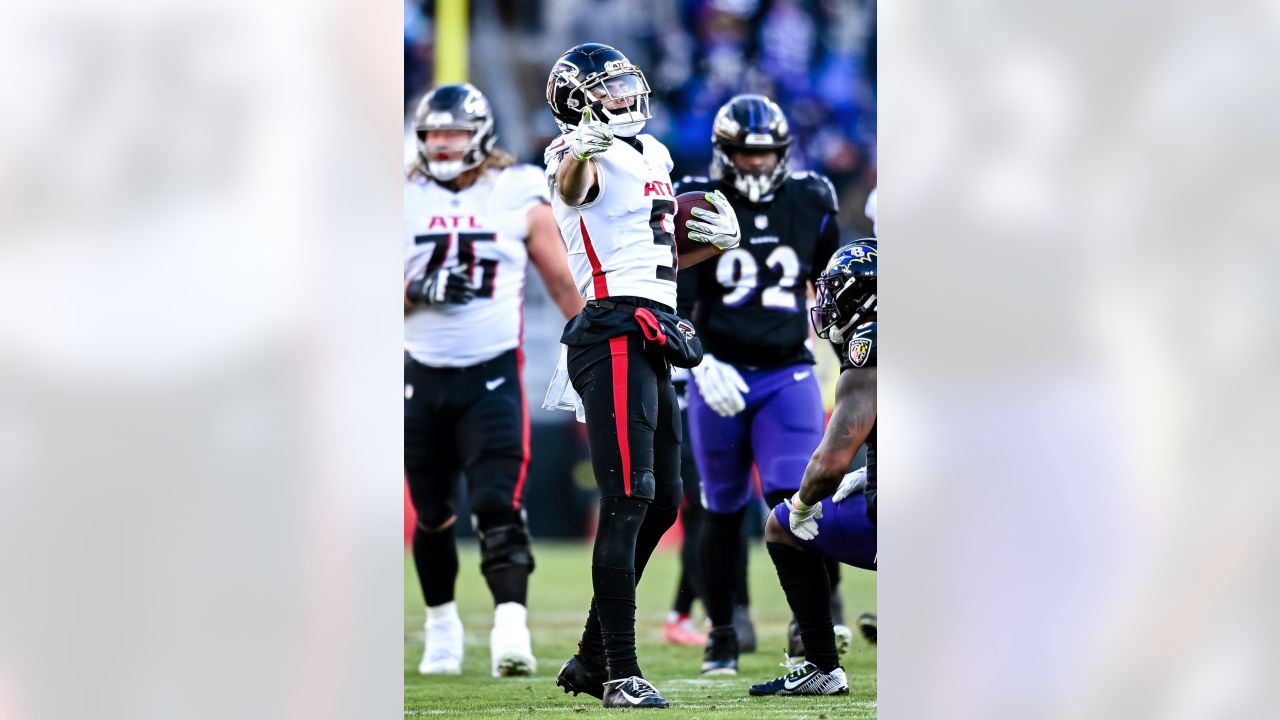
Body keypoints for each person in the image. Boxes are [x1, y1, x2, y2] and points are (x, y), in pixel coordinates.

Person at [542, 43, 741, 709]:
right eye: (612, 89)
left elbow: (657, 252)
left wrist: (714, 243)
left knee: (663, 500)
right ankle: (619, 671)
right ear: (581, 102)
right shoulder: (572, 151)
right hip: (611, 328)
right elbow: (570, 187)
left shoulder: (653, 155)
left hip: (655, 323)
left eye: (629, 86)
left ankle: (592, 654)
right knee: (627, 497)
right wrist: (582, 149)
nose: (627, 97)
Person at [403, 82, 583, 677]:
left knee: (495, 503)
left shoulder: (517, 190)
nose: (443, 143)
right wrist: (416, 291)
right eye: (433, 133)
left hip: (492, 374)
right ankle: (442, 627)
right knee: (431, 511)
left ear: (478, 134)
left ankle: (511, 625)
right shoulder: (398, 195)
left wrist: (596, 341)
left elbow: (560, 281)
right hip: (419, 374)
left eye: (453, 132)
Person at [674, 94, 846, 674]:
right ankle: (723, 630)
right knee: (719, 507)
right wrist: (697, 361)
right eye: (744, 155)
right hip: (719, 371)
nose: (754, 165)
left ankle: (817, 620)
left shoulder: (810, 197)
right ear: (724, 154)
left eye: (764, 154)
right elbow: (676, 293)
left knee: (800, 495)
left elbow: (833, 283)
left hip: (786, 370)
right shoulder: (698, 200)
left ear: (783, 153)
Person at [749, 241, 878, 697]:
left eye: (837, 292)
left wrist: (803, 503)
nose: (828, 304)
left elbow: (830, 463)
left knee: (782, 525)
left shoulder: (871, 345)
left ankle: (822, 666)